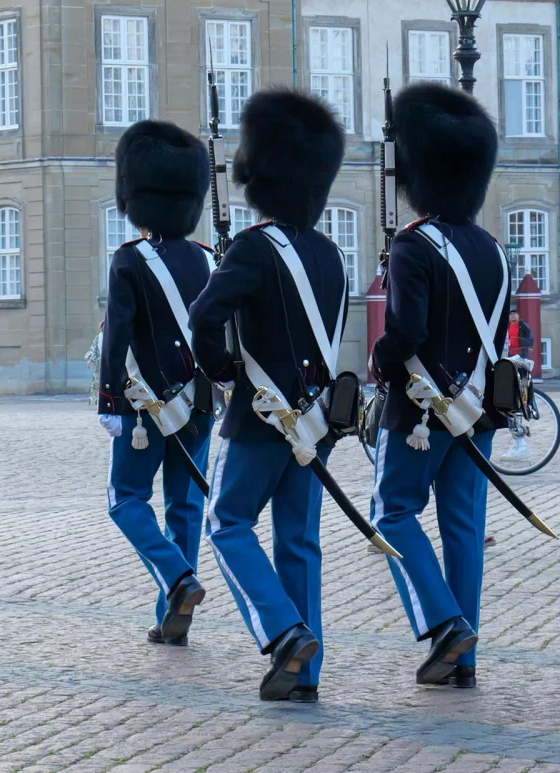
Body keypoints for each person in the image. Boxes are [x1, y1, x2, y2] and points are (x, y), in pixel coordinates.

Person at [190, 89, 347, 704]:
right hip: (314, 420)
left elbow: (204, 317)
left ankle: (283, 632)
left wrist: (225, 369)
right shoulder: (329, 252)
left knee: (226, 522)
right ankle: (304, 676)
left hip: (260, 417)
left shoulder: (254, 247)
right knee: (299, 543)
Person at [368, 83, 507, 689]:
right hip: (479, 410)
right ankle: (463, 660)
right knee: (464, 530)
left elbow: (407, 329)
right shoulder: (493, 248)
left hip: (421, 410)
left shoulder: (413, 243)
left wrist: (379, 361)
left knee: (392, 514)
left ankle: (445, 626)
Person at [98, 119, 216, 649]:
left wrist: (108, 398)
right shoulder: (211, 259)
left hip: (144, 406)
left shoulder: (129, 259)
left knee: (125, 500)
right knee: (184, 508)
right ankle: (173, 616)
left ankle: (177, 578)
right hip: (199, 404)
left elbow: (117, 334)